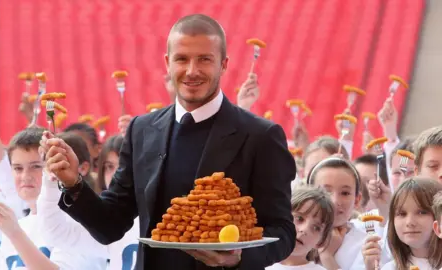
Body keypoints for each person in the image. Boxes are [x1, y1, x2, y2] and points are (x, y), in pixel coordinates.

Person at [41, 13, 296, 270]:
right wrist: (73, 183)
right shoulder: (141, 130)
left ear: (224, 64)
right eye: (182, 59)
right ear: (167, 63)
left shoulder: (261, 135)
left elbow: (283, 232)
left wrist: (240, 258)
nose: (192, 71)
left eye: (205, 59)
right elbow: (111, 226)